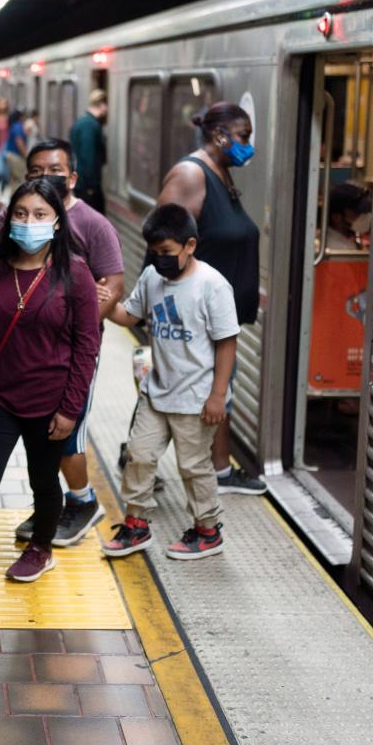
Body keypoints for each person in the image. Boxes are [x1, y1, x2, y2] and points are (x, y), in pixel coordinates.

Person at [0, 178, 101, 605]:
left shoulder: (76, 274)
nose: (29, 222)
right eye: (21, 214)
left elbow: (87, 347)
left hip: (52, 403)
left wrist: (71, 409)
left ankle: (41, 547)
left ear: (58, 223)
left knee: (43, 482)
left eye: (41, 215)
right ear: (9, 220)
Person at [0, 139, 125, 547]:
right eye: (36, 172)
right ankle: (54, 506)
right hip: (24, 352)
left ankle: (83, 502)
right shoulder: (17, 215)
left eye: (54, 171)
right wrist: (13, 224)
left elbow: (113, 285)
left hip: (72, 351)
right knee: (43, 440)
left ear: (73, 177)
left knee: (67, 435)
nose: (45, 178)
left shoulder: (94, 224)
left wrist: (74, 325)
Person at [100, 203, 239, 560]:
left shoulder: (212, 285)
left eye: (166, 252)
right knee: (140, 455)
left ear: (190, 245)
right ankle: (136, 524)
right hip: (156, 391)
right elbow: (130, 316)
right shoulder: (151, 278)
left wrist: (218, 396)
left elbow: (227, 343)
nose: (159, 259)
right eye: (154, 252)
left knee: (193, 466)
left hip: (196, 397)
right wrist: (104, 304)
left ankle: (208, 530)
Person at [157, 100, 265, 495]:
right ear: (219, 136)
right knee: (191, 392)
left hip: (219, 318)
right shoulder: (190, 174)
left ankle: (218, 469)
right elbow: (164, 245)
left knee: (217, 392)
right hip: (195, 318)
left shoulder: (220, 172)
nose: (248, 146)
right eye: (244, 137)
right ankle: (144, 457)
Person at [69, 89, 108, 214]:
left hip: (80, 181)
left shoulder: (82, 122)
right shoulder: (90, 126)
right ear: (101, 105)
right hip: (87, 185)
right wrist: (91, 186)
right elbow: (88, 156)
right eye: (106, 106)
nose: (107, 110)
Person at [325, 182, 372, 250]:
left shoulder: (331, 239)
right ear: (337, 218)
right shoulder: (343, 248)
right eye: (357, 212)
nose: (364, 216)